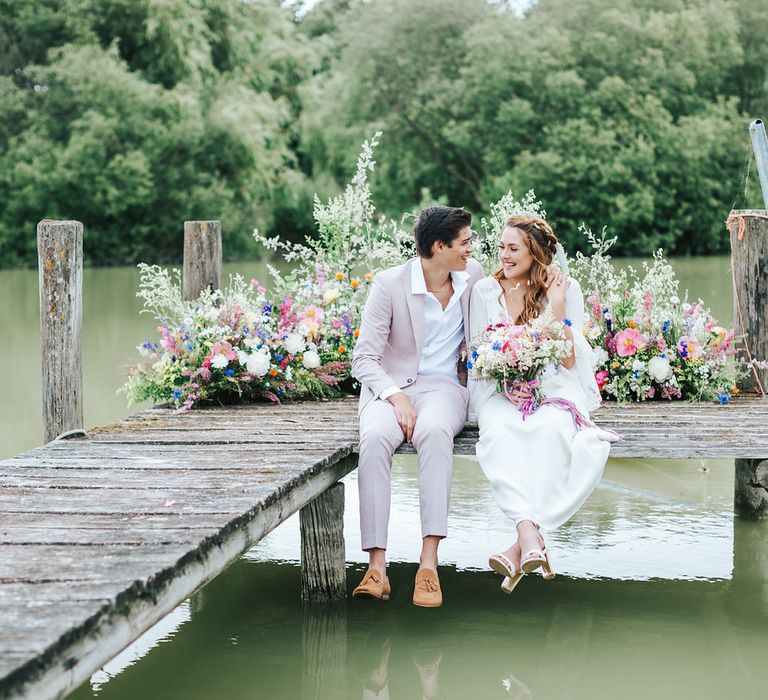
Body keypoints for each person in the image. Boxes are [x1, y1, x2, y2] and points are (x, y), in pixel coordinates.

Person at [468, 214, 617, 592]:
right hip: (498, 389)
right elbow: (475, 355)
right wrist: (505, 382)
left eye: (513, 248)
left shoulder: (566, 289)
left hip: (553, 385)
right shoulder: (484, 292)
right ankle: (529, 538)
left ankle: (522, 542)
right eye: (500, 247)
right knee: (501, 431)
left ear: (535, 253)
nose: (503, 255)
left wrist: (558, 303)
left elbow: (568, 361)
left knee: (551, 431)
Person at [351, 205, 484, 607]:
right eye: (464, 242)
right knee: (373, 438)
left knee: (433, 431)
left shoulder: (472, 276)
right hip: (391, 387)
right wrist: (396, 397)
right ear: (438, 247)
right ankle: (376, 567)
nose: (471, 248)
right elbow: (364, 359)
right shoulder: (389, 284)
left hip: (446, 388)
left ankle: (428, 565)